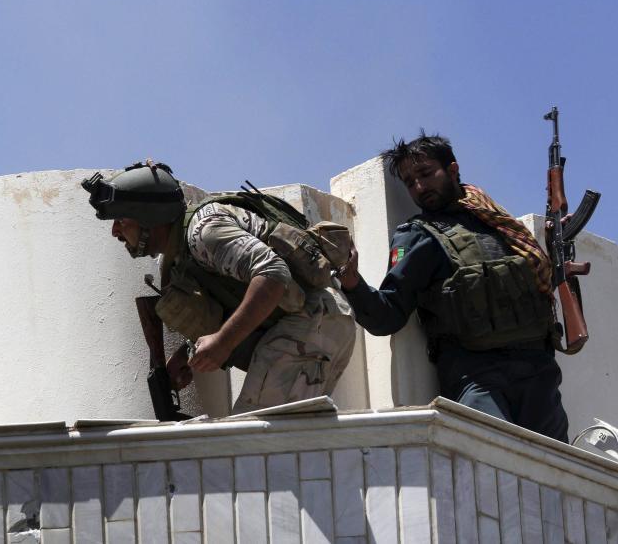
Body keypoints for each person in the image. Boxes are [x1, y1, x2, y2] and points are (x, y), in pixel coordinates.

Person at [338, 132, 570, 442]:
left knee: (556, 475)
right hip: (479, 376)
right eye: (409, 182)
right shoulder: (419, 236)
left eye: (426, 174)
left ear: (453, 170)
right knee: (488, 463)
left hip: (538, 373)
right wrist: (351, 280)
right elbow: (387, 315)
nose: (419, 187)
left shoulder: (503, 227)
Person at [83, 161, 356, 415]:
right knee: (283, 451)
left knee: (246, 446)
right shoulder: (183, 253)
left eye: (121, 220)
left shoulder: (203, 232)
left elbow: (273, 273)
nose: (115, 231)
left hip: (310, 323)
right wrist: (188, 355)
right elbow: (229, 297)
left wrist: (223, 343)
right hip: (320, 325)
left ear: (148, 217)